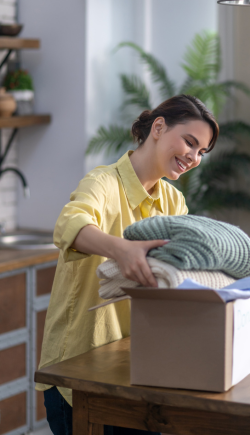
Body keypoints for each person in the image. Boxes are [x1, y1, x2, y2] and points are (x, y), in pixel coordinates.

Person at [36, 94, 219, 435]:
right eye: (190, 143)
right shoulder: (102, 183)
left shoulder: (172, 199)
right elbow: (68, 226)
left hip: (138, 368)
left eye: (201, 152)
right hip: (80, 370)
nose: (193, 157)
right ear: (159, 128)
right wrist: (121, 250)